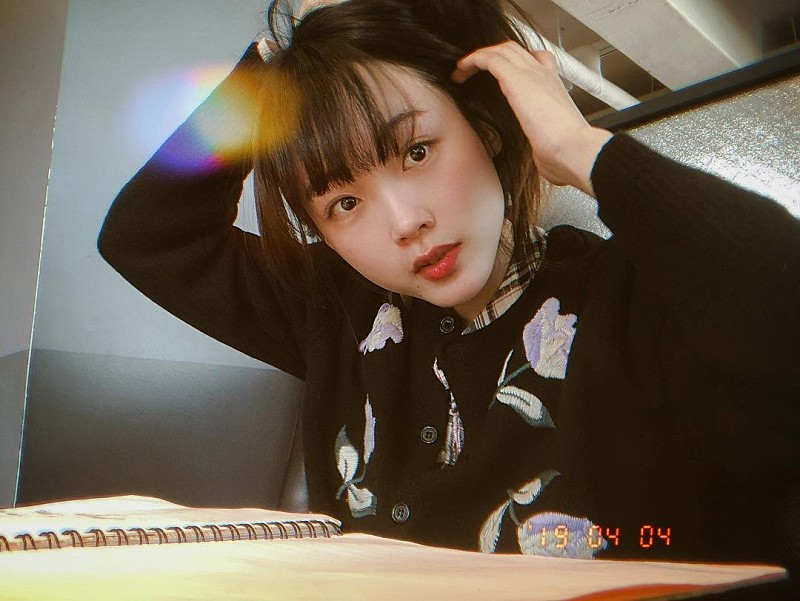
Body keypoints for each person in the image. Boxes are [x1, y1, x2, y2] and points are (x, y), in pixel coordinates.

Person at [98, 0, 799, 588]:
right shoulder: (338, 310)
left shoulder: (637, 302)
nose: (405, 223)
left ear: (486, 128)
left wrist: (578, 145)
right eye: (344, 203)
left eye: (416, 151)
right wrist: (278, 69)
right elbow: (146, 235)